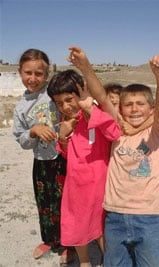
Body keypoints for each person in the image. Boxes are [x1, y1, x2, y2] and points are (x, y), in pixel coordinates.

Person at [67, 46, 159, 267]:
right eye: (128, 104)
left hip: (149, 218)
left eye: (141, 104)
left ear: (150, 108)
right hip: (114, 217)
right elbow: (102, 98)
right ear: (121, 110)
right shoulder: (115, 131)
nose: (134, 109)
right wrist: (86, 67)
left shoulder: (154, 132)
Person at [47, 69, 121, 267]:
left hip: (99, 185)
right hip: (75, 186)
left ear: (82, 93)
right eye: (59, 103)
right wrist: (62, 137)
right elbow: (67, 155)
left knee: (100, 227)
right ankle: (85, 261)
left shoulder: (96, 113)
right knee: (76, 225)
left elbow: (114, 133)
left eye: (69, 99)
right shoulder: (66, 122)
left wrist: (90, 110)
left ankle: (111, 261)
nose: (65, 106)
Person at [12, 48, 75, 265]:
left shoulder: (54, 93)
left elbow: (74, 106)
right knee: (45, 204)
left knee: (67, 202)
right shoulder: (20, 107)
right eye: (28, 72)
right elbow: (21, 140)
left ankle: (70, 243)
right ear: (20, 72)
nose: (33, 78)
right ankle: (49, 240)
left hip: (65, 159)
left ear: (46, 74)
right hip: (41, 162)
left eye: (39, 73)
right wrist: (33, 131)